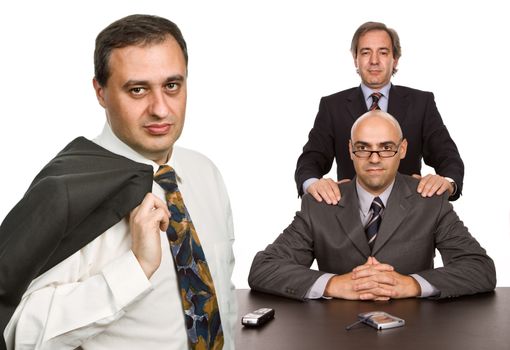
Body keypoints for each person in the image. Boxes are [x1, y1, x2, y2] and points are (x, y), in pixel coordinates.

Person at [0, 14, 236, 350]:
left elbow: (223, 300)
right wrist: (135, 269)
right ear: (100, 91)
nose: (159, 109)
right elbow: (17, 333)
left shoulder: (206, 173)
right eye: (137, 89)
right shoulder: (65, 192)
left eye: (172, 85)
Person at [249, 110, 495, 301]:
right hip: (334, 333)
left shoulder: (429, 202)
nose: (374, 158)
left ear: (402, 149)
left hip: (415, 334)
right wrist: (334, 284)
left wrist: (411, 284)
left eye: (386, 148)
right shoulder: (321, 204)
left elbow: (480, 268)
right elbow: (264, 269)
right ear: (351, 150)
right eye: (363, 147)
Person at [295, 21, 464, 205]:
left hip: (410, 214)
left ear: (395, 59)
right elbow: (311, 159)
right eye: (366, 52)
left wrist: (446, 183)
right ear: (355, 59)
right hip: (350, 216)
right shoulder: (332, 106)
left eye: (383, 52)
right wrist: (313, 185)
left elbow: (448, 156)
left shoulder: (421, 103)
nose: (374, 61)